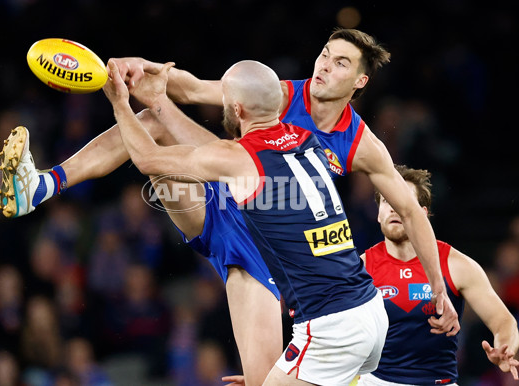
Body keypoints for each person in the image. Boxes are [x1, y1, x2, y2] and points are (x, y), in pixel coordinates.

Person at [0, 28, 460, 382]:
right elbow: (196, 88)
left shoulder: (360, 142)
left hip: (272, 256)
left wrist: (437, 287)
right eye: (323, 55)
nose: (323, 67)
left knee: (263, 381)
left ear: (359, 81)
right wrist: (147, 68)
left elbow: (412, 209)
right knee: (153, 123)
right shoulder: (273, 93)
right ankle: (42, 186)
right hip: (230, 188)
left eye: (340, 64)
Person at [105, 55, 390, 384]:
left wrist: (120, 103)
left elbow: (147, 158)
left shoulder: (239, 157)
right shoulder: (306, 138)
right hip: (369, 308)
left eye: (226, 98)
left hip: (331, 325)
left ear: (237, 110)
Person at [357, 164, 519, 385]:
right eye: (387, 201)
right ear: (378, 213)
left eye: (402, 202)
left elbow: (503, 321)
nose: (394, 208)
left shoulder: (456, 265)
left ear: (421, 214)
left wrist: (505, 347)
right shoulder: (360, 268)